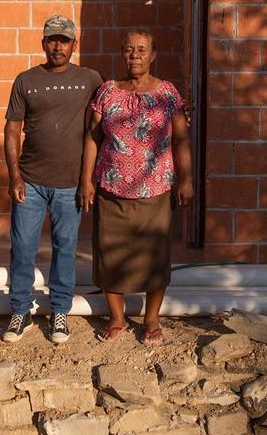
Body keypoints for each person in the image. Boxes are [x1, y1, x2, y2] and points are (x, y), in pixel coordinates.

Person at [80, 29, 193, 344]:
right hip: (111, 189)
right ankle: (116, 318)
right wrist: (86, 180)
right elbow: (93, 138)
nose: (135, 56)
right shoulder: (107, 92)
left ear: (153, 55)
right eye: (129, 50)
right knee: (109, 253)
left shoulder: (167, 94)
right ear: (122, 53)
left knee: (155, 256)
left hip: (155, 190)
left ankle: (151, 320)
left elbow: (182, 138)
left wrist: (187, 179)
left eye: (142, 50)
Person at [2, 15, 103, 345]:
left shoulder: (89, 79)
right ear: (43, 43)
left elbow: (108, 118)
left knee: (65, 248)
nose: (57, 46)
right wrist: (14, 175)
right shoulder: (25, 80)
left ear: (74, 44)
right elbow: (12, 129)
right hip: (30, 181)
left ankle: (60, 309)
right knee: (23, 248)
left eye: (64, 40)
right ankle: (21, 310)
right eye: (52, 39)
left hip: (70, 183)